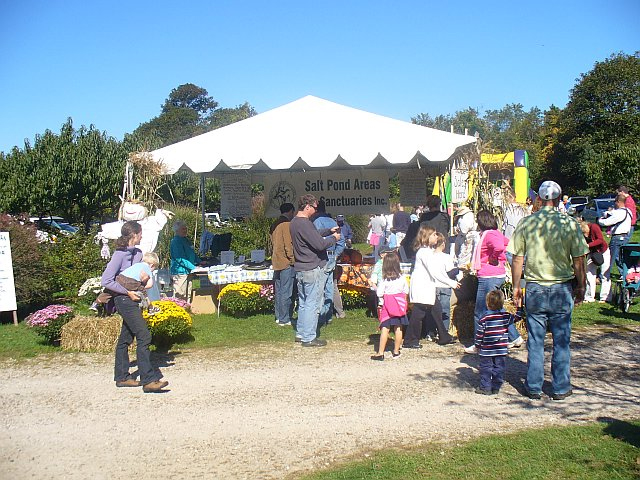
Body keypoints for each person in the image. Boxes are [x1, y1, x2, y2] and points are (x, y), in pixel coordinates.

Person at [508, 180, 588, 400]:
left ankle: (534, 386)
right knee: (561, 340)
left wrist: (516, 287)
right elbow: (579, 259)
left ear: (540, 198)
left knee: (535, 339)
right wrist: (581, 285)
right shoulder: (569, 224)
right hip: (561, 287)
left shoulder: (527, 223)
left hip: (535, 287)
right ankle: (560, 387)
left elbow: (517, 258)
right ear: (558, 197)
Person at [100, 221, 168, 393]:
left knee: (126, 338)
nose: (142, 236)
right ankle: (148, 380)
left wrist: (144, 283)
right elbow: (106, 280)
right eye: (140, 233)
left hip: (134, 298)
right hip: (123, 299)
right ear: (134, 235)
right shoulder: (119, 255)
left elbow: (138, 276)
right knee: (144, 335)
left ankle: (122, 377)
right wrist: (126, 292)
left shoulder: (138, 253)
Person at [465, 210, 523, 354]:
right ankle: (514, 337)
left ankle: (478, 344)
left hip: (488, 276)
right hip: (496, 274)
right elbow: (508, 243)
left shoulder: (489, 234)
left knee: (480, 311)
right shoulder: (496, 233)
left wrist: (494, 257)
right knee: (496, 309)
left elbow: (498, 247)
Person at [289, 194, 340, 347]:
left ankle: (301, 333)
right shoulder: (304, 223)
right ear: (307, 206)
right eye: (314, 208)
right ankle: (309, 337)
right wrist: (334, 239)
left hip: (301, 268)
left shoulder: (294, 222)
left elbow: (312, 236)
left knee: (304, 302)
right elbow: (319, 244)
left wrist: (327, 231)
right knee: (312, 304)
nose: (316, 211)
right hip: (311, 267)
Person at [403, 224, 455, 349]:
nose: (436, 236)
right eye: (433, 234)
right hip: (422, 287)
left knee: (435, 308)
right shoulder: (424, 252)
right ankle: (410, 339)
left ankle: (443, 335)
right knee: (418, 313)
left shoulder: (427, 251)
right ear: (426, 236)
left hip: (426, 286)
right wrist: (450, 282)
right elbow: (434, 272)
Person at [473, 290, 520, 395]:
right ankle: (496, 386)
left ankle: (485, 387)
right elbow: (518, 317)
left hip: (486, 349)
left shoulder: (484, 318)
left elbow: (480, 334)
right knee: (499, 367)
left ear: (487, 303)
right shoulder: (506, 316)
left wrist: (477, 345)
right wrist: (519, 307)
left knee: (486, 368)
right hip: (500, 349)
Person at [93, 252, 161, 315]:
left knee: (110, 291)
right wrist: (142, 286)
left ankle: (97, 303)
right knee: (144, 294)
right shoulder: (147, 268)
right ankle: (150, 308)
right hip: (132, 282)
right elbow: (150, 285)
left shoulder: (137, 264)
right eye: (154, 268)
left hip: (120, 278)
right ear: (152, 265)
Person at [313, 200, 346, 327]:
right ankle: (334, 314)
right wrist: (336, 253)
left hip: (322, 256)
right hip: (332, 256)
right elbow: (341, 240)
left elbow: (314, 240)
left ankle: (323, 316)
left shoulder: (316, 222)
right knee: (331, 286)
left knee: (320, 286)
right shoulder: (333, 222)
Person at [371, 251, 409, 361]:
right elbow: (406, 290)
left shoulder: (384, 279)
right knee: (398, 328)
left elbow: (379, 293)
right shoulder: (401, 278)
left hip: (387, 307)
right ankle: (396, 351)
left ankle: (380, 352)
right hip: (398, 306)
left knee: (385, 329)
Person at [429, 232, 460, 332]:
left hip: (433, 285)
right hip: (445, 286)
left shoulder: (429, 256)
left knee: (433, 310)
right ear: (443, 244)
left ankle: (432, 331)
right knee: (445, 310)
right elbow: (450, 273)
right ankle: (444, 331)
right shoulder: (446, 257)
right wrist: (458, 270)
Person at [271, 203, 296, 326]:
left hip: (276, 261)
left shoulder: (275, 223)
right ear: (291, 211)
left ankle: (279, 316)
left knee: (279, 291)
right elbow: (288, 245)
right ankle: (284, 318)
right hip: (285, 262)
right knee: (286, 292)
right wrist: (293, 260)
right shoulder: (286, 224)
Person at [598, 194, 632, 272]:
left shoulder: (619, 213)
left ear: (619, 202)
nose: (614, 204)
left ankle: (603, 276)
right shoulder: (628, 211)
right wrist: (608, 213)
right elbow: (613, 213)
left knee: (610, 258)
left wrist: (600, 220)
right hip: (626, 236)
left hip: (617, 237)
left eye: (615, 202)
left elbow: (606, 222)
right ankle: (623, 273)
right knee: (620, 257)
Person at [580, 220, 611, 303]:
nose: (585, 235)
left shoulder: (594, 227)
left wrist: (588, 245)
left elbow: (600, 239)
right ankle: (589, 296)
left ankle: (605, 296)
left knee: (605, 273)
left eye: (585, 233)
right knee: (589, 273)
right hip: (592, 252)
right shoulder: (581, 233)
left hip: (603, 251)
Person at [170, 220, 201, 300]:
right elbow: (180, 259)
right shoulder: (176, 242)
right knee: (180, 294)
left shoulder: (186, 240)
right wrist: (193, 267)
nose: (185, 230)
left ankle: (188, 309)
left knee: (189, 293)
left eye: (186, 228)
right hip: (180, 272)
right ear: (177, 230)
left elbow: (192, 253)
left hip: (189, 271)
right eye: (183, 229)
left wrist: (200, 262)